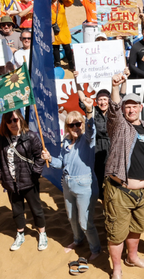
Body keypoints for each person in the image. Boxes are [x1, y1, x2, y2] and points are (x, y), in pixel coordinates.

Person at [103, 73, 144, 279]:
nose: (130, 109)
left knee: (137, 226)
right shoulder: (119, 127)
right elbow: (113, 112)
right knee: (117, 232)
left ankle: (133, 257)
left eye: (134, 105)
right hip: (120, 190)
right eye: (127, 106)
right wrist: (115, 88)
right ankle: (117, 269)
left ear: (140, 107)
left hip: (143, 192)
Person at [43, 90, 102, 260]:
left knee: (85, 222)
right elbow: (60, 163)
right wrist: (50, 158)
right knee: (71, 217)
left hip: (85, 185)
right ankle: (78, 240)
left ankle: (95, 249)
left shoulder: (87, 139)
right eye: (71, 125)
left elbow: (92, 129)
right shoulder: (66, 142)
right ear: (67, 127)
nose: (76, 127)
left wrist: (89, 111)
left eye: (78, 124)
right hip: (67, 183)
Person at [0, 110, 47, 251]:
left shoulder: (30, 137)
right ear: (5, 123)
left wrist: (34, 174)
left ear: (21, 119)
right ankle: (20, 234)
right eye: (9, 121)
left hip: (29, 181)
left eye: (15, 120)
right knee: (17, 210)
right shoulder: (1, 139)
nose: (12, 123)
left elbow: (40, 157)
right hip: (11, 182)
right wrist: (2, 176)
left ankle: (42, 234)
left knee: (36, 209)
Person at [50, 0, 75, 69]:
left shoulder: (62, 3)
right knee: (55, 47)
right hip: (53, 29)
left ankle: (71, 62)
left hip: (63, 29)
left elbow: (70, 2)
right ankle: (57, 63)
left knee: (67, 46)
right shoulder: (46, 5)